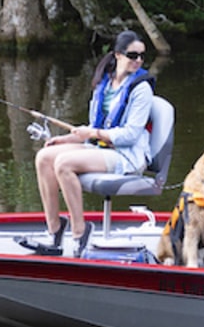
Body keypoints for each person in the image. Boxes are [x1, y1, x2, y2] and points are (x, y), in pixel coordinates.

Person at [23, 30, 157, 256]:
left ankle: (80, 232)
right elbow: (94, 127)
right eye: (133, 55)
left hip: (128, 155)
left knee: (64, 163)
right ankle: (54, 232)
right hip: (100, 148)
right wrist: (67, 138)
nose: (139, 61)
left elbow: (131, 135)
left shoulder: (141, 88)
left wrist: (92, 132)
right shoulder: (105, 83)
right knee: (44, 157)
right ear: (118, 55)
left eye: (142, 56)